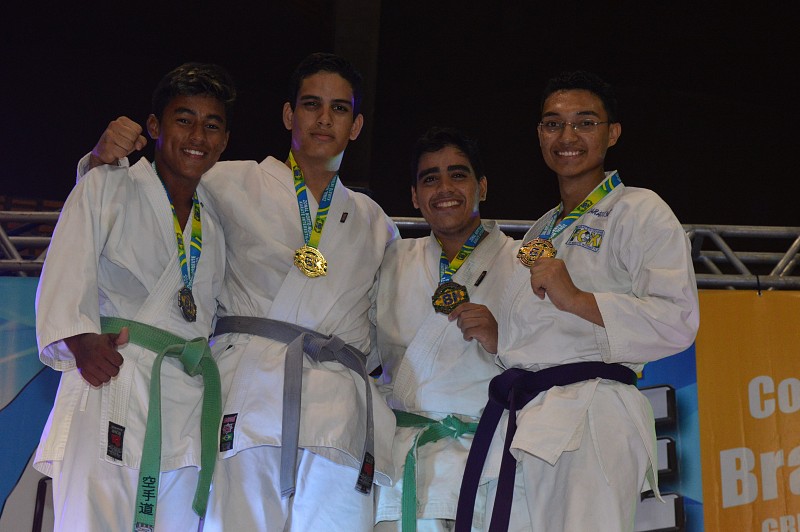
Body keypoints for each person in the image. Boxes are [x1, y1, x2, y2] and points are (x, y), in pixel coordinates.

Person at [83, 52, 399, 531]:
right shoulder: (227, 180)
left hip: (339, 416)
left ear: (355, 126)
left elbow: (387, 325)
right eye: (311, 104)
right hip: (248, 401)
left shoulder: (376, 223)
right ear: (289, 114)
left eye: (339, 109)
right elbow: (137, 206)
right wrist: (99, 161)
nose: (324, 118)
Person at [455, 71, 700, 532]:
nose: (567, 137)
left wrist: (576, 298)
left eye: (585, 123)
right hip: (529, 418)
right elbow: (546, 337)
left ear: (613, 133)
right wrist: (501, 338)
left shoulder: (640, 210)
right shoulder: (541, 228)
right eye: (554, 124)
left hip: (593, 413)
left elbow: (677, 320)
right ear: (540, 134)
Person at [34, 62, 236, 531]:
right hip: (111, 379)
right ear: (154, 127)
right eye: (184, 119)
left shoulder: (217, 221)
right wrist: (79, 340)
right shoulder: (108, 185)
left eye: (212, 126)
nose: (198, 136)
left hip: (184, 402)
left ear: (225, 141)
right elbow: (67, 266)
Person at [370, 127, 517, 531]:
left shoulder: (524, 263)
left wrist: (505, 341)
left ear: (481, 186)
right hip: (406, 463)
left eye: (458, 175)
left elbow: (556, 360)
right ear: (415, 196)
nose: (444, 188)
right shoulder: (390, 261)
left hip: (493, 460)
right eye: (430, 179)